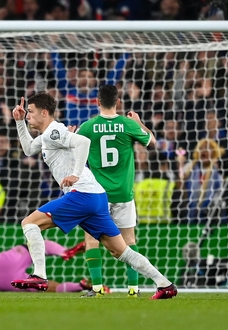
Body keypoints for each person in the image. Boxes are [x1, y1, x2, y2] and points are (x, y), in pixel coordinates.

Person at [9, 92, 177, 300]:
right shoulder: (47, 135)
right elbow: (27, 149)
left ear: (44, 113)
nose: (28, 116)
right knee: (120, 251)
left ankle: (39, 275)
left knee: (30, 223)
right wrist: (19, 123)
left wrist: (75, 174)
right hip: (96, 196)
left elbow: (83, 144)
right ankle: (164, 284)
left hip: (82, 194)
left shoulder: (54, 132)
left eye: (31, 112)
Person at [75, 84, 156, 297]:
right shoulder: (128, 124)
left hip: (97, 195)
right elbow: (152, 141)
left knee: (91, 240)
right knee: (129, 241)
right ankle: (133, 289)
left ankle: (97, 289)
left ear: (97, 102)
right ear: (118, 102)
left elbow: (72, 147)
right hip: (123, 194)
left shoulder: (88, 127)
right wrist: (138, 122)